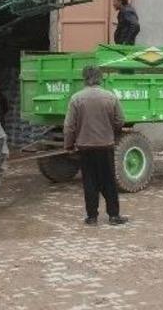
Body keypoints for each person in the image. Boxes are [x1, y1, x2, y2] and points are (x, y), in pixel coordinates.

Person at [63, 66, 129, 226]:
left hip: (85, 148)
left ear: (84, 78)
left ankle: (92, 217)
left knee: (90, 182)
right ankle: (114, 216)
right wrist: (110, 130)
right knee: (109, 181)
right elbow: (120, 120)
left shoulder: (76, 99)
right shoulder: (110, 97)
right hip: (105, 146)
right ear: (100, 78)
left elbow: (69, 126)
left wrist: (69, 145)